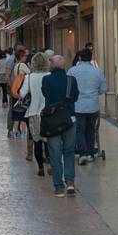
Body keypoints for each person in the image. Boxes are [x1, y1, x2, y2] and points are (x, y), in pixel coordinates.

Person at [41, 54, 78, 195]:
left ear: (53, 65)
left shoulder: (46, 80)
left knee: (55, 154)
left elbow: (45, 94)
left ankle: (58, 186)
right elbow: (75, 96)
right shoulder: (71, 80)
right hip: (70, 119)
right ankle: (70, 182)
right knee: (69, 152)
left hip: (52, 122)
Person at [68, 47, 106, 164]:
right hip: (92, 105)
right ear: (91, 58)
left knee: (79, 130)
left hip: (78, 105)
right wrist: (95, 93)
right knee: (91, 129)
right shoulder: (97, 71)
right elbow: (104, 88)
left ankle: (82, 153)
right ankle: (90, 152)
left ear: (79, 58)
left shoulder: (72, 71)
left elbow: (68, 89)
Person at [24, 51, 52, 176]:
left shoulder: (29, 77)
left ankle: (40, 167)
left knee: (37, 141)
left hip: (33, 112)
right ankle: (50, 163)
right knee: (48, 141)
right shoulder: (50, 75)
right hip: (48, 113)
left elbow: (22, 94)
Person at [11, 45, 32, 151]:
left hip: (16, 91)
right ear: (22, 56)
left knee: (16, 112)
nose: (26, 57)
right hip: (22, 91)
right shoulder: (23, 65)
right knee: (23, 112)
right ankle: (23, 132)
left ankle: (15, 132)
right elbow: (30, 74)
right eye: (25, 56)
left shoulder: (16, 65)